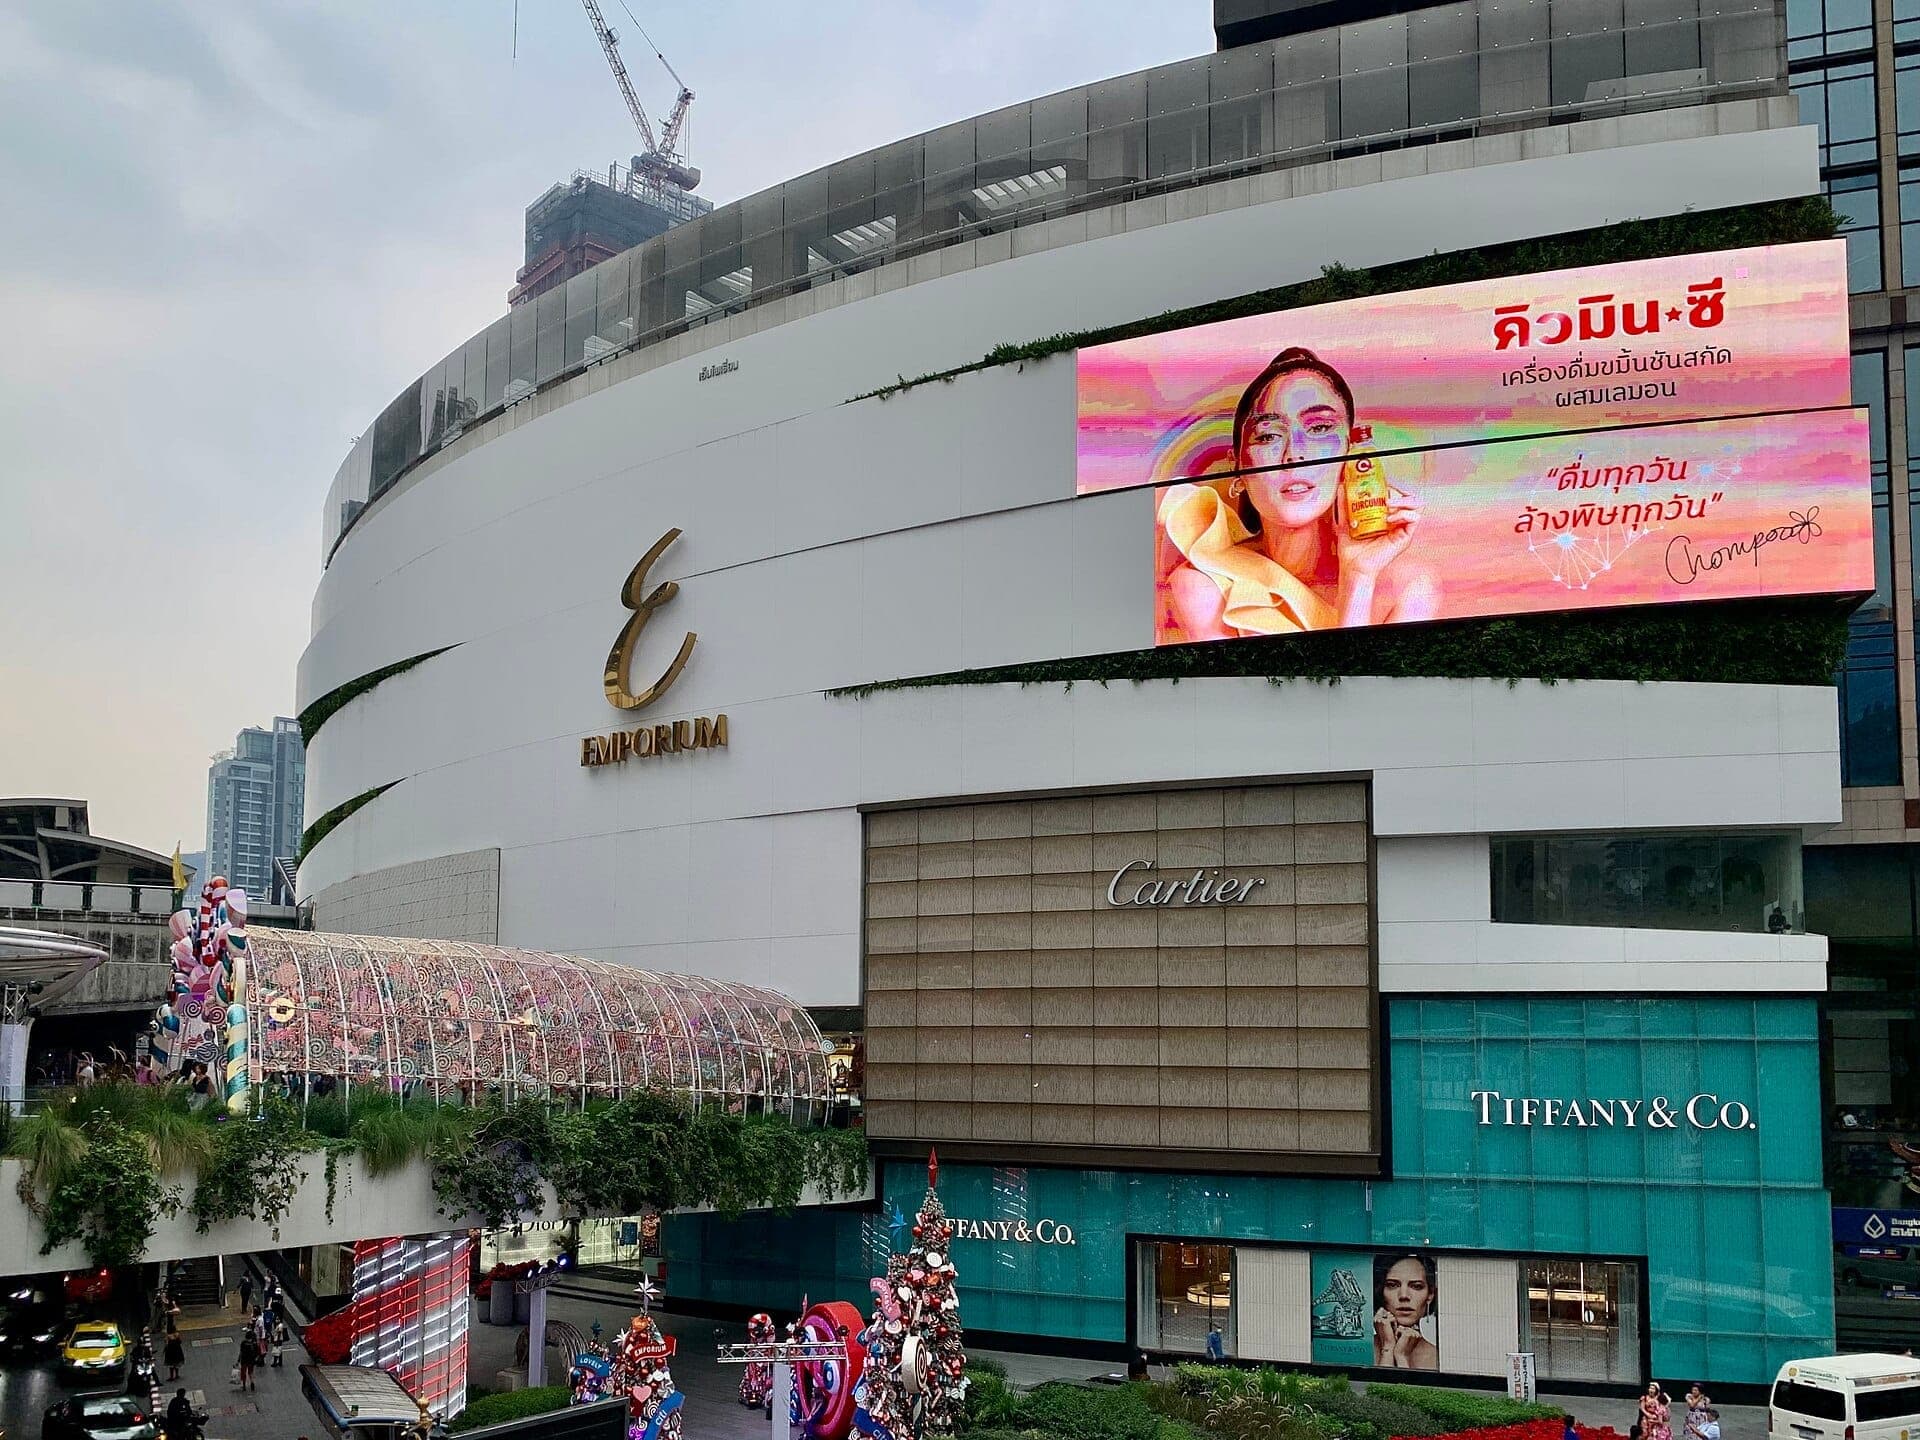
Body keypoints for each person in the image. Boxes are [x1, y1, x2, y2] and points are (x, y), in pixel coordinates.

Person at [1160, 347, 1437, 639]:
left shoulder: (1408, 586)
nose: (1295, 454)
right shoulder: (1203, 588)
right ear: (1237, 468)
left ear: (1350, 452)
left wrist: (1359, 577)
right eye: (1268, 435)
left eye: (1319, 428)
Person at [1372, 1252, 1439, 1369]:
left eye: (1416, 1286)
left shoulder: (1439, 1358)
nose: (1404, 1295)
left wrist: (1402, 1358)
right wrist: (1387, 1348)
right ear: (1380, 1291)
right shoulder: (1361, 1351)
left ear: (1430, 1294)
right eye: (1392, 1285)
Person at [237, 1324, 258, 1391]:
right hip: (251, 1360)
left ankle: (244, 1385)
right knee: (250, 1372)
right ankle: (252, 1382)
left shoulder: (243, 1343)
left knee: (243, 1372)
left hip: (244, 1360)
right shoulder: (254, 1344)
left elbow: (241, 1352)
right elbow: (256, 1352)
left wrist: (238, 1360)